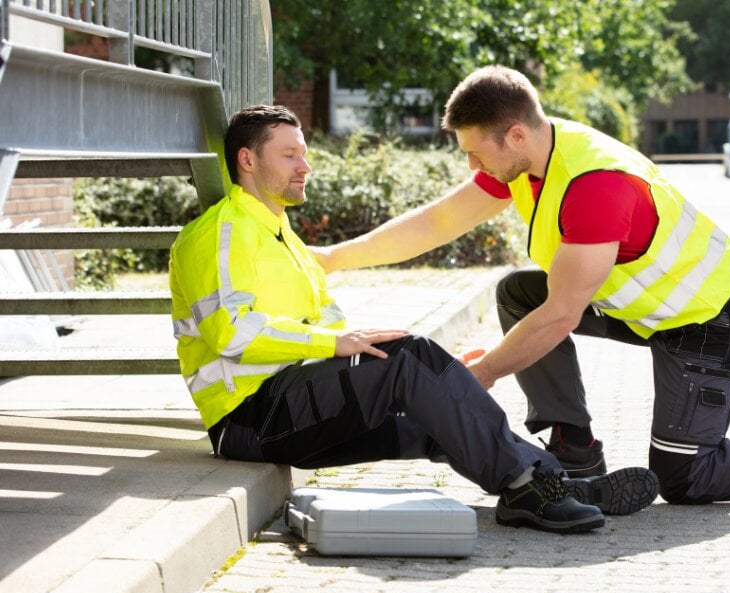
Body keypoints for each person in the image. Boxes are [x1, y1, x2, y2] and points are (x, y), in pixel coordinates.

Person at [314, 65, 730, 504]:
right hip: (643, 307)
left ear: (514, 135)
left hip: (708, 321)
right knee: (520, 292)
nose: (472, 167)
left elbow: (562, 314)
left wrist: (476, 378)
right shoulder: (528, 161)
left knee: (686, 479)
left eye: (475, 152)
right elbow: (437, 222)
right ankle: (576, 452)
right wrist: (335, 259)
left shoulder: (594, 185)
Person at [168, 104, 659, 536]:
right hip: (250, 418)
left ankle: (552, 483)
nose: (306, 165)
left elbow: (329, 320)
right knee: (411, 359)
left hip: (292, 401)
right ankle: (535, 485)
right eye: (289, 155)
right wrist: (335, 345)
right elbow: (229, 333)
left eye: (304, 153)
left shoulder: (285, 237)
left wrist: (362, 351)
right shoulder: (219, 235)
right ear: (248, 160)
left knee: (440, 409)